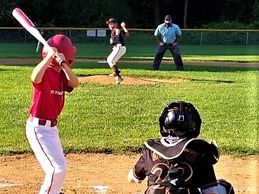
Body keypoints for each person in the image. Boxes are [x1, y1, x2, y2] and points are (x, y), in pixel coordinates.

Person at [128, 101, 235, 194]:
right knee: (226, 187)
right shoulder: (200, 151)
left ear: (164, 124)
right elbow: (211, 192)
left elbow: (133, 179)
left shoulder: (151, 150)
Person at [25, 34, 80, 194]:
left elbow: (75, 83)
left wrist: (63, 65)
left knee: (61, 168)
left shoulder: (61, 74)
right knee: (56, 169)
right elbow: (35, 77)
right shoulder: (45, 72)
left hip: (51, 129)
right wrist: (50, 56)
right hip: (38, 128)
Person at [106, 18, 129, 84]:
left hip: (120, 47)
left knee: (110, 61)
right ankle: (116, 72)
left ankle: (119, 77)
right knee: (110, 60)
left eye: (112, 24)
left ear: (116, 24)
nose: (110, 25)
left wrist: (116, 35)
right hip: (119, 48)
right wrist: (124, 27)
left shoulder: (115, 29)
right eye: (109, 24)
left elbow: (118, 31)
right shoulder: (114, 30)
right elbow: (127, 34)